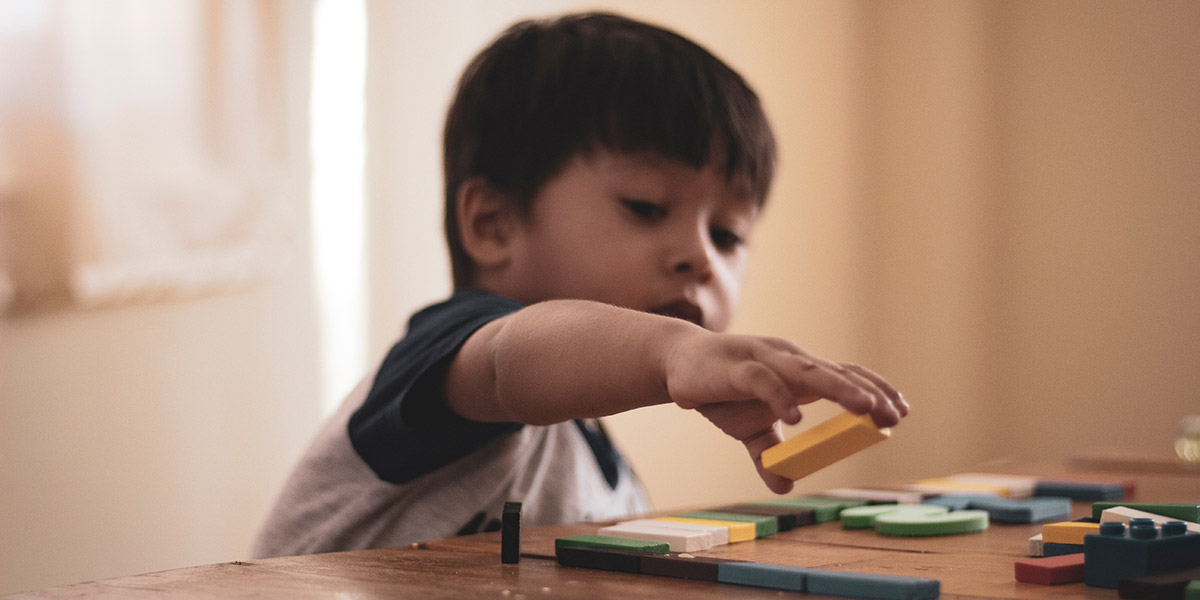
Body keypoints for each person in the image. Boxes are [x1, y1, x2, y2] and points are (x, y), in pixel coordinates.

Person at [252, 11, 908, 559]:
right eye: (648, 208)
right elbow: (515, 361)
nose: (701, 258)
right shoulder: (457, 361)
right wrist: (673, 351)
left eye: (729, 235)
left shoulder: (610, 482)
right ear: (494, 223)